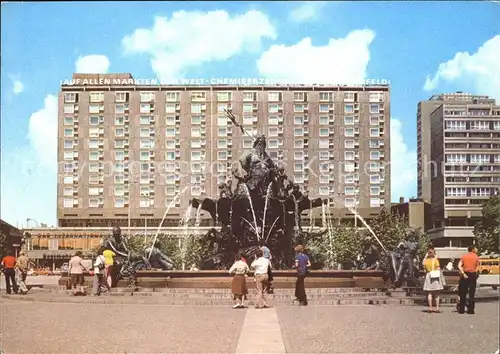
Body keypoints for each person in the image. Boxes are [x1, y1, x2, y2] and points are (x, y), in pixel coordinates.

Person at [457, 245, 480, 314]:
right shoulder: (476, 257)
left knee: (463, 293)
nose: (476, 249)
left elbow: (459, 265)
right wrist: (475, 274)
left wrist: (463, 273)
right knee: (471, 293)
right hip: (472, 275)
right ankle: (471, 310)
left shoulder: (464, 256)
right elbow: (477, 267)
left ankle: (461, 309)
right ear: (473, 249)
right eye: (475, 248)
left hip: (465, 274)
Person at [422, 248, 444, 313]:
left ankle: (430, 308)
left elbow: (424, 267)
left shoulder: (426, 261)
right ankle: (437, 308)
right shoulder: (436, 260)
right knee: (437, 294)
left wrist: (426, 256)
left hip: (429, 276)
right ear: (434, 254)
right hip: (435, 276)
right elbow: (438, 268)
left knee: (429, 293)